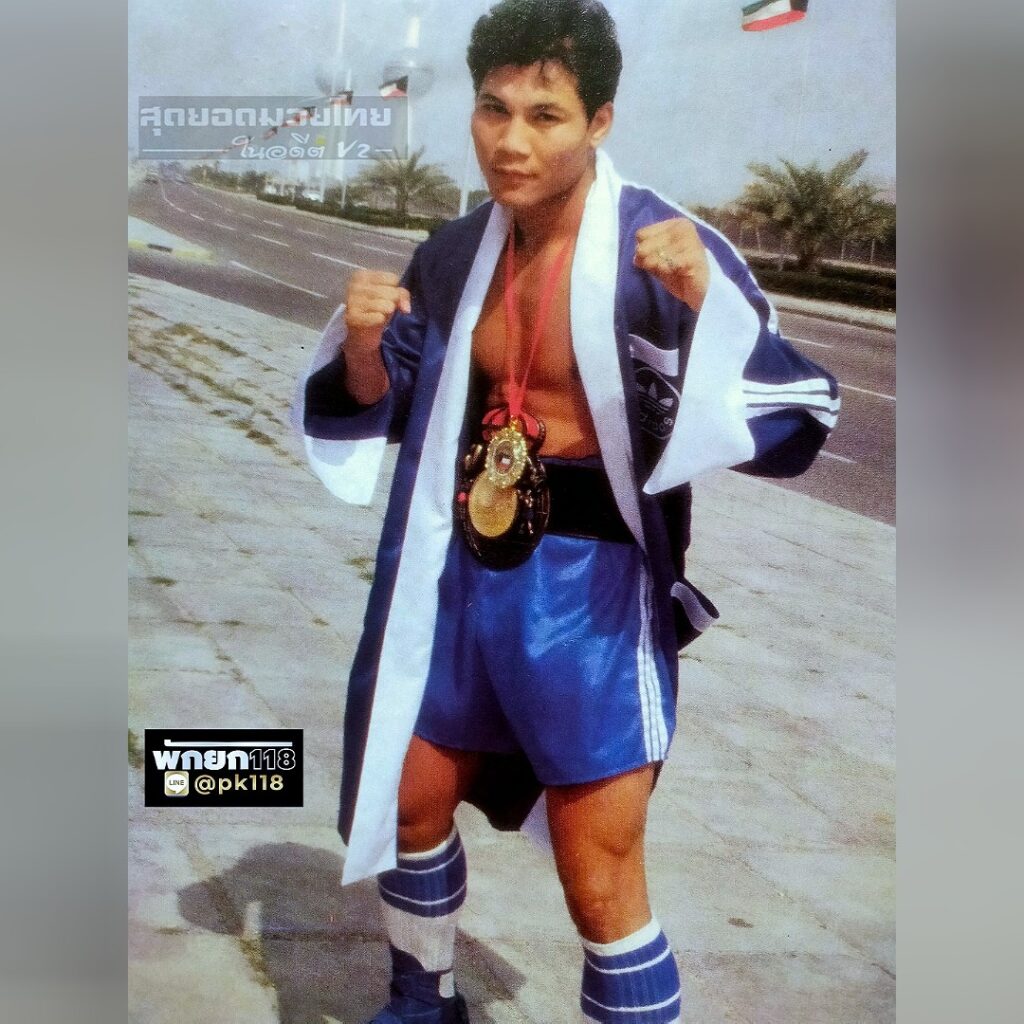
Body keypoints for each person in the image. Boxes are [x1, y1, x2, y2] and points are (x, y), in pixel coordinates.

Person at [296, 1, 839, 1021]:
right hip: (454, 570)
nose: (510, 139)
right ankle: (424, 1003)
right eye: (492, 109)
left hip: (590, 592)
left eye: (545, 114)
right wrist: (365, 348)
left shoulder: (662, 249)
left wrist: (707, 314)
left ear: (599, 121)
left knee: (599, 881)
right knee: (408, 802)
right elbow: (391, 407)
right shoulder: (454, 251)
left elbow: (799, 423)